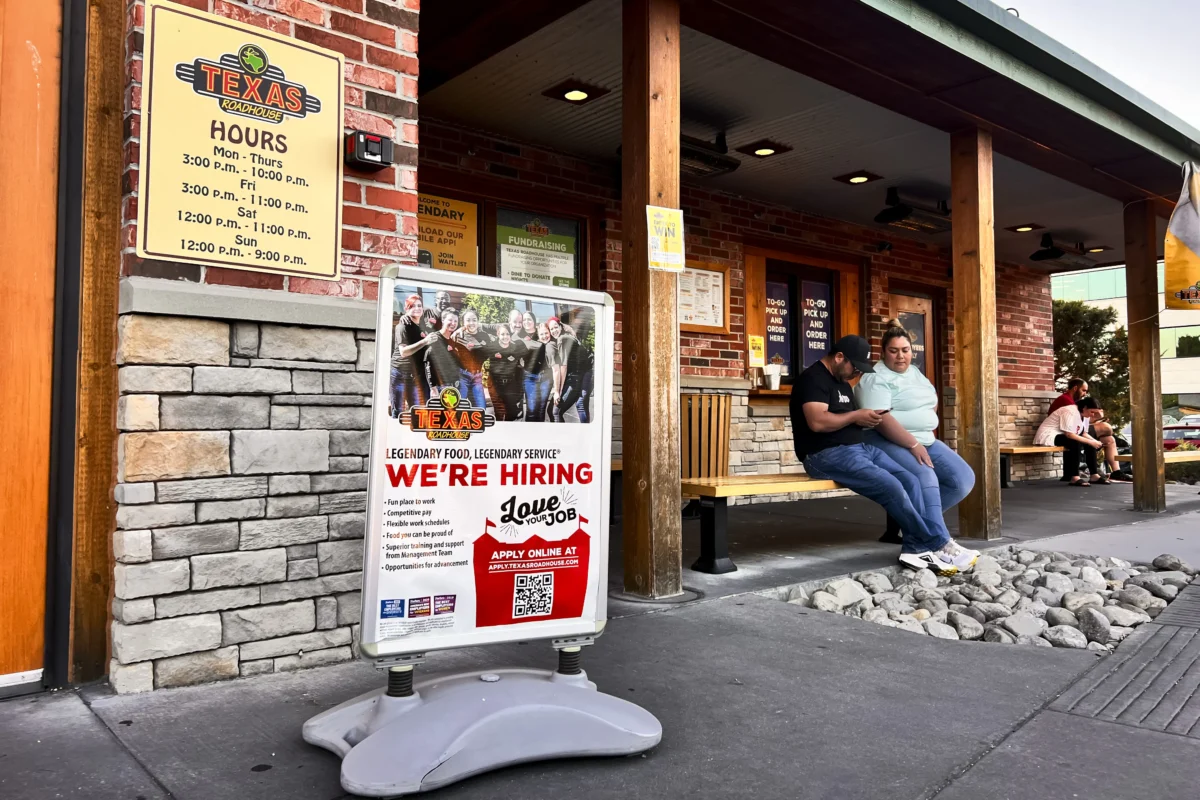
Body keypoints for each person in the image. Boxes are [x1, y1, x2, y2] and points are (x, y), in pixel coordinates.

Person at [790, 334, 979, 574]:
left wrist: (867, 418)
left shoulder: (841, 380)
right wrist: (856, 416)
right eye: (854, 368)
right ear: (839, 357)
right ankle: (938, 544)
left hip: (857, 448)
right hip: (824, 455)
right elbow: (817, 422)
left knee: (909, 479)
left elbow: (845, 420)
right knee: (892, 485)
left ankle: (914, 549)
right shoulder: (812, 379)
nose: (856, 374)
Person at [855, 319, 975, 546]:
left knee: (962, 479)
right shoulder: (874, 377)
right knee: (925, 475)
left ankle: (910, 522)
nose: (900, 356)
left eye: (905, 350)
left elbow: (930, 401)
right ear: (883, 353)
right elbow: (881, 420)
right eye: (894, 351)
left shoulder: (915, 373)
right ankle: (935, 540)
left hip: (924, 439)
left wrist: (924, 422)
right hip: (884, 439)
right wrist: (912, 444)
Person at [1034, 395, 1110, 486]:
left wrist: (1095, 442)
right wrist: (1091, 442)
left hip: (1062, 435)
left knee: (1088, 443)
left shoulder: (1085, 415)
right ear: (1085, 407)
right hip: (1048, 436)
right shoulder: (1069, 411)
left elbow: (1083, 433)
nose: (1092, 415)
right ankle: (1075, 477)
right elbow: (1069, 434)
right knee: (1075, 441)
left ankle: (1094, 475)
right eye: (1092, 412)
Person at [389, 294, 434, 417]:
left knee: (420, 413)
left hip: (417, 374)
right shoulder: (402, 326)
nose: (417, 308)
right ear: (407, 308)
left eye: (419, 306)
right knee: (399, 412)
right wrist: (425, 341)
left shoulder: (423, 325)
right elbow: (403, 352)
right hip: (400, 373)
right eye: (413, 306)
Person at [548, 316, 592, 423]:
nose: (554, 330)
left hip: (584, 374)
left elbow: (563, 367)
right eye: (551, 329)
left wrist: (558, 391)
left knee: (556, 411)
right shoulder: (567, 336)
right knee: (580, 405)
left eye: (555, 327)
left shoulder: (562, 339)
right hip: (583, 373)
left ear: (560, 326)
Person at [483, 324, 529, 421]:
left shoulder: (516, 347)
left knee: (511, 412)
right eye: (502, 334)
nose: (505, 337)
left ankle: (509, 433)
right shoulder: (492, 347)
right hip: (495, 385)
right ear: (498, 334)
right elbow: (477, 354)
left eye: (507, 334)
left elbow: (528, 357)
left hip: (510, 384)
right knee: (499, 412)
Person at [454, 309, 492, 409]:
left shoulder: (484, 336)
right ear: (463, 322)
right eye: (468, 320)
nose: (471, 323)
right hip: (462, 376)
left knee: (481, 408)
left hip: (477, 377)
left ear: (478, 321)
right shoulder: (458, 335)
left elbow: (487, 353)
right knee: (459, 408)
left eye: (474, 320)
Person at [424, 308, 466, 395]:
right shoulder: (435, 338)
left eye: (455, 321)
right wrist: (433, 388)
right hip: (440, 387)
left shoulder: (453, 340)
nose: (453, 323)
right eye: (450, 320)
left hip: (455, 386)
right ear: (443, 320)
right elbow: (428, 364)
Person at [521, 318, 555, 422]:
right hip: (532, 378)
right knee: (532, 410)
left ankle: (539, 434)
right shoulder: (532, 344)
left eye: (546, 333)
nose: (544, 336)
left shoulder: (553, 343)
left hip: (546, 379)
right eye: (542, 334)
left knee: (541, 409)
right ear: (538, 335)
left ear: (550, 332)